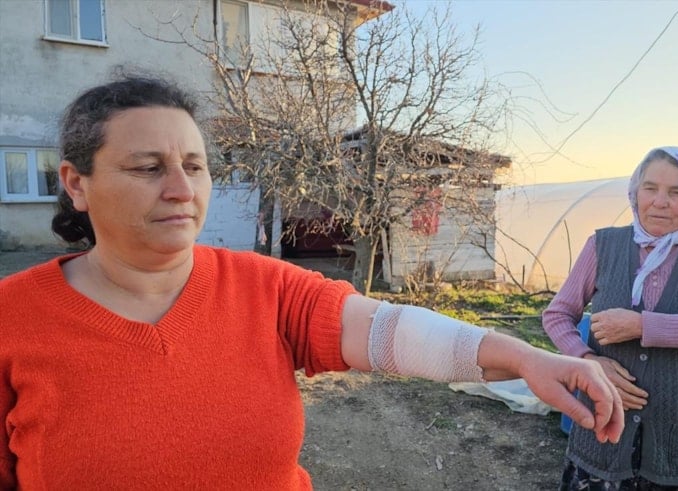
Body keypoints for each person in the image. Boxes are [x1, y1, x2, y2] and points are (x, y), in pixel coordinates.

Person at [0, 75, 624, 489]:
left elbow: (389, 331)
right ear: (76, 183)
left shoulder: (265, 288)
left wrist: (526, 358)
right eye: (148, 168)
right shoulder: (14, 316)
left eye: (194, 165)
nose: (182, 189)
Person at [543, 146, 678, 491]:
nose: (660, 202)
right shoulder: (603, 245)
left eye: (677, 192)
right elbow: (557, 315)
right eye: (650, 188)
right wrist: (588, 362)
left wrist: (641, 325)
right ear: (635, 191)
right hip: (604, 430)